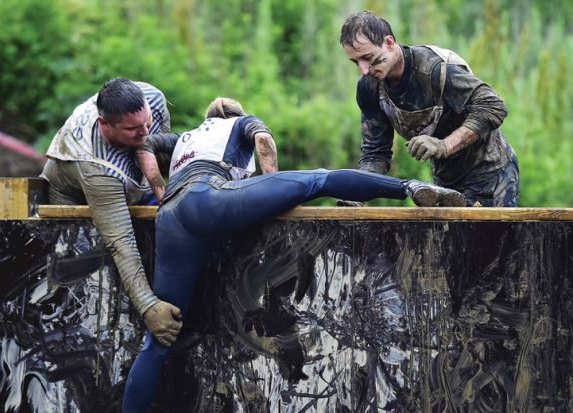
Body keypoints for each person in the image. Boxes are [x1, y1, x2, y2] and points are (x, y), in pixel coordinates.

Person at [121, 97, 466, 412]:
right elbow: (264, 142)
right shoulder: (239, 123)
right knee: (318, 180)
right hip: (210, 198)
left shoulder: (185, 138)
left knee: (160, 337)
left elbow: (144, 144)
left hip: (171, 216)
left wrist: (158, 186)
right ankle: (409, 187)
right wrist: (273, 186)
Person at [40, 77, 184, 350]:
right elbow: (121, 243)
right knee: (90, 281)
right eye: (133, 129)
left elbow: (159, 154)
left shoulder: (152, 98)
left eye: (147, 122)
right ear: (105, 124)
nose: (145, 131)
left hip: (130, 186)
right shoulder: (96, 166)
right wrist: (149, 307)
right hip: (74, 198)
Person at [339, 11, 519, 207]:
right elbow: (375, 153)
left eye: (368, 57)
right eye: (356, 62)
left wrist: (444, 146)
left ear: (389, 43)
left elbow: (493, 105)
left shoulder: (435, 69)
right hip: (446, 182)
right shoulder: (369, 87)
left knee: (493, 237)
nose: (364, 69)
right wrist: (358, 192)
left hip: (490, 172)